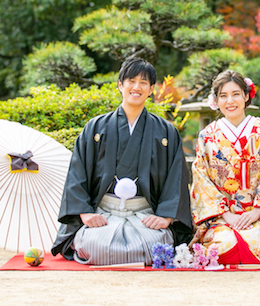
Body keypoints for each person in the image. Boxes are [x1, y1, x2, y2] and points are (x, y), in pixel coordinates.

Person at [51, 58, 193, 265]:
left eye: (143, 82)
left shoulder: (166, 131)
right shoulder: (96, 127)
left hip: (144, 213)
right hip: (104, 213)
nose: (136, 87)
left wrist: (166, 216)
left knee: (155, 244)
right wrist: (85, 213)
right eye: (131, 81)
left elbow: (176, 177)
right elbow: (77, 172)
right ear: (120, 85)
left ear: (151, 89)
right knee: (95, 245)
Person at [190, 70, 260, 265]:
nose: (230, 101)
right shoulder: (207, 136)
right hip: (221, 217)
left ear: (246, 96)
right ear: (216, 100)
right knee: (224, 245)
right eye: (223, 96)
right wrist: (227, 215)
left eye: (236, 94)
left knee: (256, 242)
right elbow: (201, 180)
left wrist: (257, 211)